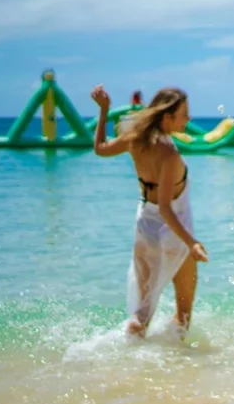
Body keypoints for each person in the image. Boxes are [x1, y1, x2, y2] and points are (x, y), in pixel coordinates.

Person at [90, 85, 209, 337]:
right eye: (184, 114)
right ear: (167, 117)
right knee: (183, 317)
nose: (188, 119)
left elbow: (100, 148)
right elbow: (167, 208)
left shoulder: (134, 139)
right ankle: (177, 366)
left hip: (145, 229)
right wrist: (192, 243)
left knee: (141, 315)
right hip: (175, 234)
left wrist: (104, 111)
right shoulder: (168, 155)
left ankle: (133, 362)